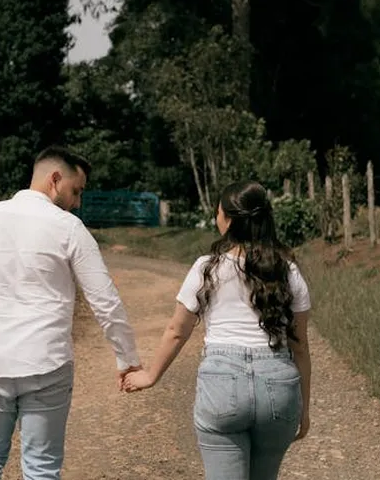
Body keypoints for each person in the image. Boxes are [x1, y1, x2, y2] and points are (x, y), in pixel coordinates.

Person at [0, 147, 143, 480]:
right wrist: (127, 357)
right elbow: (105, 301)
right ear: (55, 180)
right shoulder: (69, 229)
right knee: (41, 469)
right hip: (47, 364)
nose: (78, 203)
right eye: (76, 191)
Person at [122, 180, 313, 480]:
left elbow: (176, 330)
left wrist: (150, 375)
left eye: (218, 212)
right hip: (278, 386)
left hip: (223, 385)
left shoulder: (206, 267)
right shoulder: (287, 271)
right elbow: (299, 346)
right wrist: (303, 408)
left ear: (228, 221)